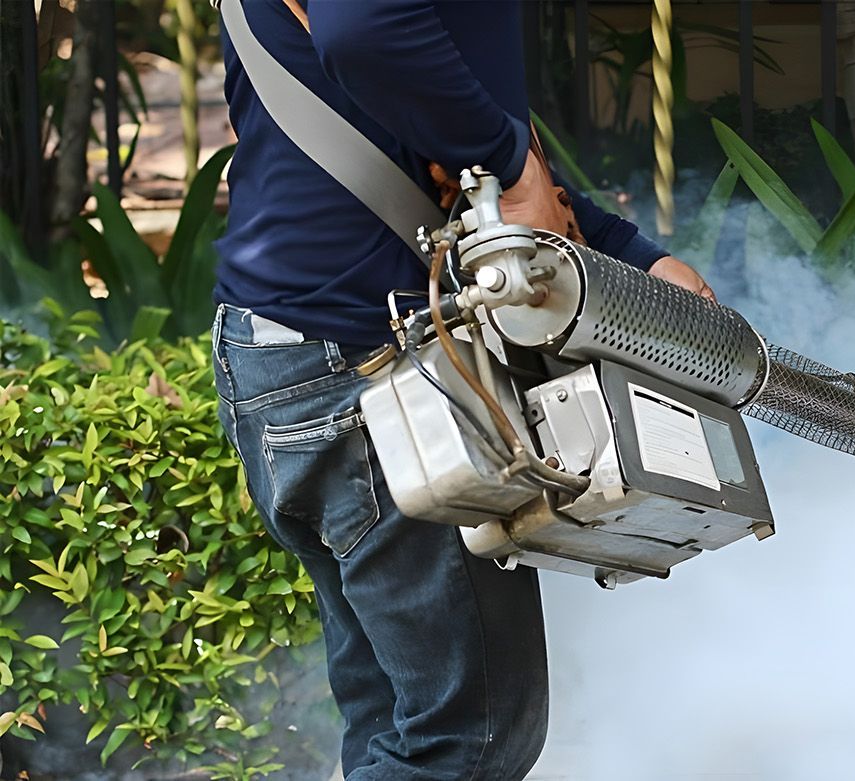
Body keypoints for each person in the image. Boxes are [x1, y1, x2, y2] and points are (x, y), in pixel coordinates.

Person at [209, 1, 713, 777]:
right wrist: (512, 165)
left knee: (398, 728)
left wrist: (622, 250)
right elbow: (368, 37)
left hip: (295, 353)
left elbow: (423, 119)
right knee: (469, 739)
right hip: (377, 368)